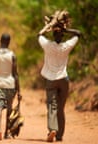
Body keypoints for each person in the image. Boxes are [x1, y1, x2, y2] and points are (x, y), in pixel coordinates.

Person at [38, 14, 81, 142]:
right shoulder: (66, 46)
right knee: (61, 109)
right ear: (62, 36)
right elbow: (78, 33)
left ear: (53, 35)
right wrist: (65, 29)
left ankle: (52, 129)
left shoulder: (47, 45)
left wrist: (48, 27)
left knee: (52, 106)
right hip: (63, 80)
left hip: (51, 80)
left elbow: (39, 35)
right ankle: (60, 135)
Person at [0, 33, 21, 141]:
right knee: (9, 109)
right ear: (9, 41)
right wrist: (19, 90)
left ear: (0, 40)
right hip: (10, 84)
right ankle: (6, 132)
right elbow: (15, 74)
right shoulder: (12, 55)